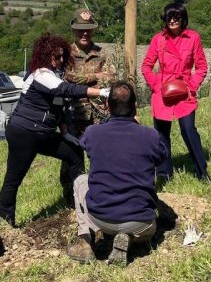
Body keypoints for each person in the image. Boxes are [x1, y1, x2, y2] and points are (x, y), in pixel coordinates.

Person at [0, 32, 109, 227]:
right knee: (14, 178)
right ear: (45, 56)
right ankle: (6, 224)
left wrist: (65, 133)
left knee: (73, 153)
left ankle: (83, 201)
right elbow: (64, 90)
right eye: (56, 56)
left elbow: (59, 107)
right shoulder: (40, 74)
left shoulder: (54, 75)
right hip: (24, 133)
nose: (60, 60)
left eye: (62, 56)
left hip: (43, 133)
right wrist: (99, 92)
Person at [66, 81, 168, 266]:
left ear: (107, 105)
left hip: (101, 218)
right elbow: (162, 157)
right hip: (141, 222)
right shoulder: (150, 135)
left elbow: (87, 147)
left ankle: (85, 242)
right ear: (135, 105)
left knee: (80, 180)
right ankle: (129, 237)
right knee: (145, 229)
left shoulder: (92, 133)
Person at [141, 2, 209, 182]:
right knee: (161, 134)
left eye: (176, 16)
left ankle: (202, 171)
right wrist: (156, 86)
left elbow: (201, 66)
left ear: (183, 18)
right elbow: (146, 66)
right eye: (169, 17)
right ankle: (164, 174)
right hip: (163, 91)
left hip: (184, 89)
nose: (172, 20)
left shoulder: (193, 38)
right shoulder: (158, 39)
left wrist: (191, 85)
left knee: (189, 130)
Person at [60, 9, 116, 206]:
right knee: (72, 156)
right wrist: (94, 78)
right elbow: (67, 78)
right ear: (74, 30)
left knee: (99, 155)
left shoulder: (101, 54)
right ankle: (70, 199)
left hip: (98, 114)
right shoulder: (65, 54)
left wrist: (84, 83)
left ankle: (100, 193)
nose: (84, 34)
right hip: (73, 114)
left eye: (88, 30)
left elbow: (110, 78)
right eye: (80, 30)